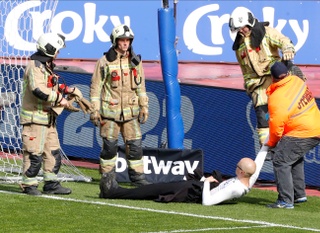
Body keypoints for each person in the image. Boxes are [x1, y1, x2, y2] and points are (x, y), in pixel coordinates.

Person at [20, 32, 86, 195]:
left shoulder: (46, 66)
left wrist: (66, 90)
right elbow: (38, 89)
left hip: (48, 119)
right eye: (57, 50)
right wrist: (60, 99)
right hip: (35, 118)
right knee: (34, 153)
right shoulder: (35, 65)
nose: (58, 53)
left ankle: (51, 183)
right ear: (49, 49)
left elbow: (49, 86)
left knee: (53, 152)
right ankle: (29, 185)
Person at [229, 7, 304, 146]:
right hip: (259, 85)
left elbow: (283, 40)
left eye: (242, 27)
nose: (241, 31)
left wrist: (288, 49)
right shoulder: (239, 47)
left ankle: (294, 77)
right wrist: (250, 88)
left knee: (285, 105)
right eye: (238, 29)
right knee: (262, 115)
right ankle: (267, 145)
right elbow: (246, 73)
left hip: (276, 76)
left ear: (249, 22)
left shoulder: (266, 32)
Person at [99, 145, 268, 206]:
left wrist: (207, 182)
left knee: (152, 189)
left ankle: (112, 192)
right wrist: (267, 145)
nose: (235, 167)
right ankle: (114, 191)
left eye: (237, 166)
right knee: (153, 189)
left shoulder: (235, 188)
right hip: (197, 187)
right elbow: (257, 164)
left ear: (242, 172)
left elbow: (207, 202)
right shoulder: (247, 180)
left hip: (192, 192)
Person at [90, 24, 150, 187]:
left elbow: (141, 86)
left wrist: (144, 106)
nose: (125, 43)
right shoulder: (104, 62)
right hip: (110, 114)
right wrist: (94, 110)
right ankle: (107, 177)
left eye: (128, 40)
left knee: (135, 146)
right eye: (122, 40)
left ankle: (137, 177)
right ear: (115, 41)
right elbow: (96, 87)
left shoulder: (135, 62)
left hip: (131, 113)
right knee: (109, 147)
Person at [265, 62, 320, 209]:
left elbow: (276, 126)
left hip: (303, 131)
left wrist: (271, 143)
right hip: (316, 127)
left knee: (280, 160)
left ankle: (285, 200)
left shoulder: (277, 98)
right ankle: (299, 194)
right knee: (292, 157)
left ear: (272, 78)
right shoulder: (297, 80)